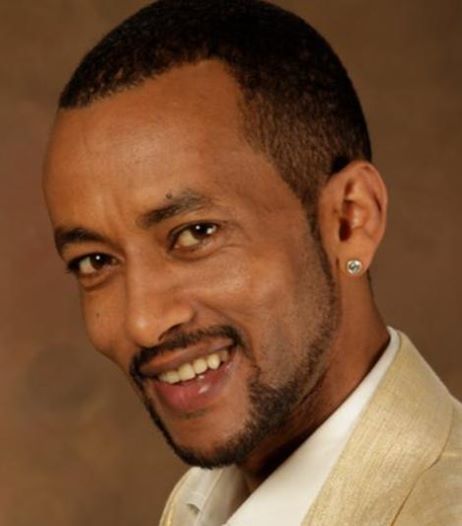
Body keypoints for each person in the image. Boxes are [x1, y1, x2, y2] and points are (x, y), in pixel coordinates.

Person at [42, 1, 461, 524]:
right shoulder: (200, 505)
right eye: (95, 260)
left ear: (350, 222)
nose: (143, 322)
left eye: (196, 234)